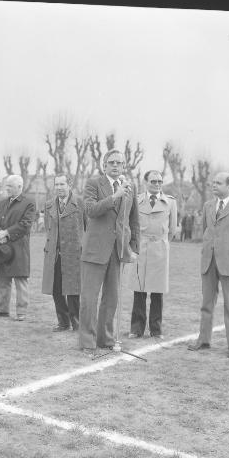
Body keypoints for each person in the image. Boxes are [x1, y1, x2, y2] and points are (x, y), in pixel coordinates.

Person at [187, 172, 229, 358]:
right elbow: (206, 232)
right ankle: (203, 339)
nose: (213, 185)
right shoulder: (208, 205)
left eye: (218, 183)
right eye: (213, 183)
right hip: (209, 261)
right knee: (206, 303)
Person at [78, 149, 140, 358]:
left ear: (124, 167)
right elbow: (90, 210)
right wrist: (115, 196)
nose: (115, 166)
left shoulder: (130, 187)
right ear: (104, 165)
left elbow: (134, 220)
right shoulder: (94, 183)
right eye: (111, 162)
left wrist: (134, 247)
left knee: (111, 298)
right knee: (89, 297)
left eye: (119, 163)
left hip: (118, 249)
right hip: (95, 249)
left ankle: (105, 338)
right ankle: (87, 340)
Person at [128, 170, 177, 340]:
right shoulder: (136, 200)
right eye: (153, 181)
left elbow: (172, 230)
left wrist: (160, 242)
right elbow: (131, 224)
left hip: (159, 250)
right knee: (139, 290)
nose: (157, 184)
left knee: (157, 292)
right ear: (145, 182)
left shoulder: (170, 202)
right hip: (141, 248)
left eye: (159, 181)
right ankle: (136, 328)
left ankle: (156, 329)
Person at [0, 175, 35, 321]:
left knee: (21, 280)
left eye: (10, 186)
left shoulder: (29, 203)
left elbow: (25, 224)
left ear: (20, 187)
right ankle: (2, 310)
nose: (7, 189)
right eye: (6, 186)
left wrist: (6, 233)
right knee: (3, 280)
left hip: (19, 248)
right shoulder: (1, 203)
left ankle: (21, 312)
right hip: (1, 247)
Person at [41, 174, 86, 332]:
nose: (59, 187)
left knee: (73, 289)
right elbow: (48, 228)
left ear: (69, 185)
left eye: (62, 184)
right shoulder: (48, 205)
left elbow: (86, 227)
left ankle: (76, 322)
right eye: (57, 184)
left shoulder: (81, 203)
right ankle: (63, 322)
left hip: (74, 253)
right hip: (54, 253)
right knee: (56, 288)